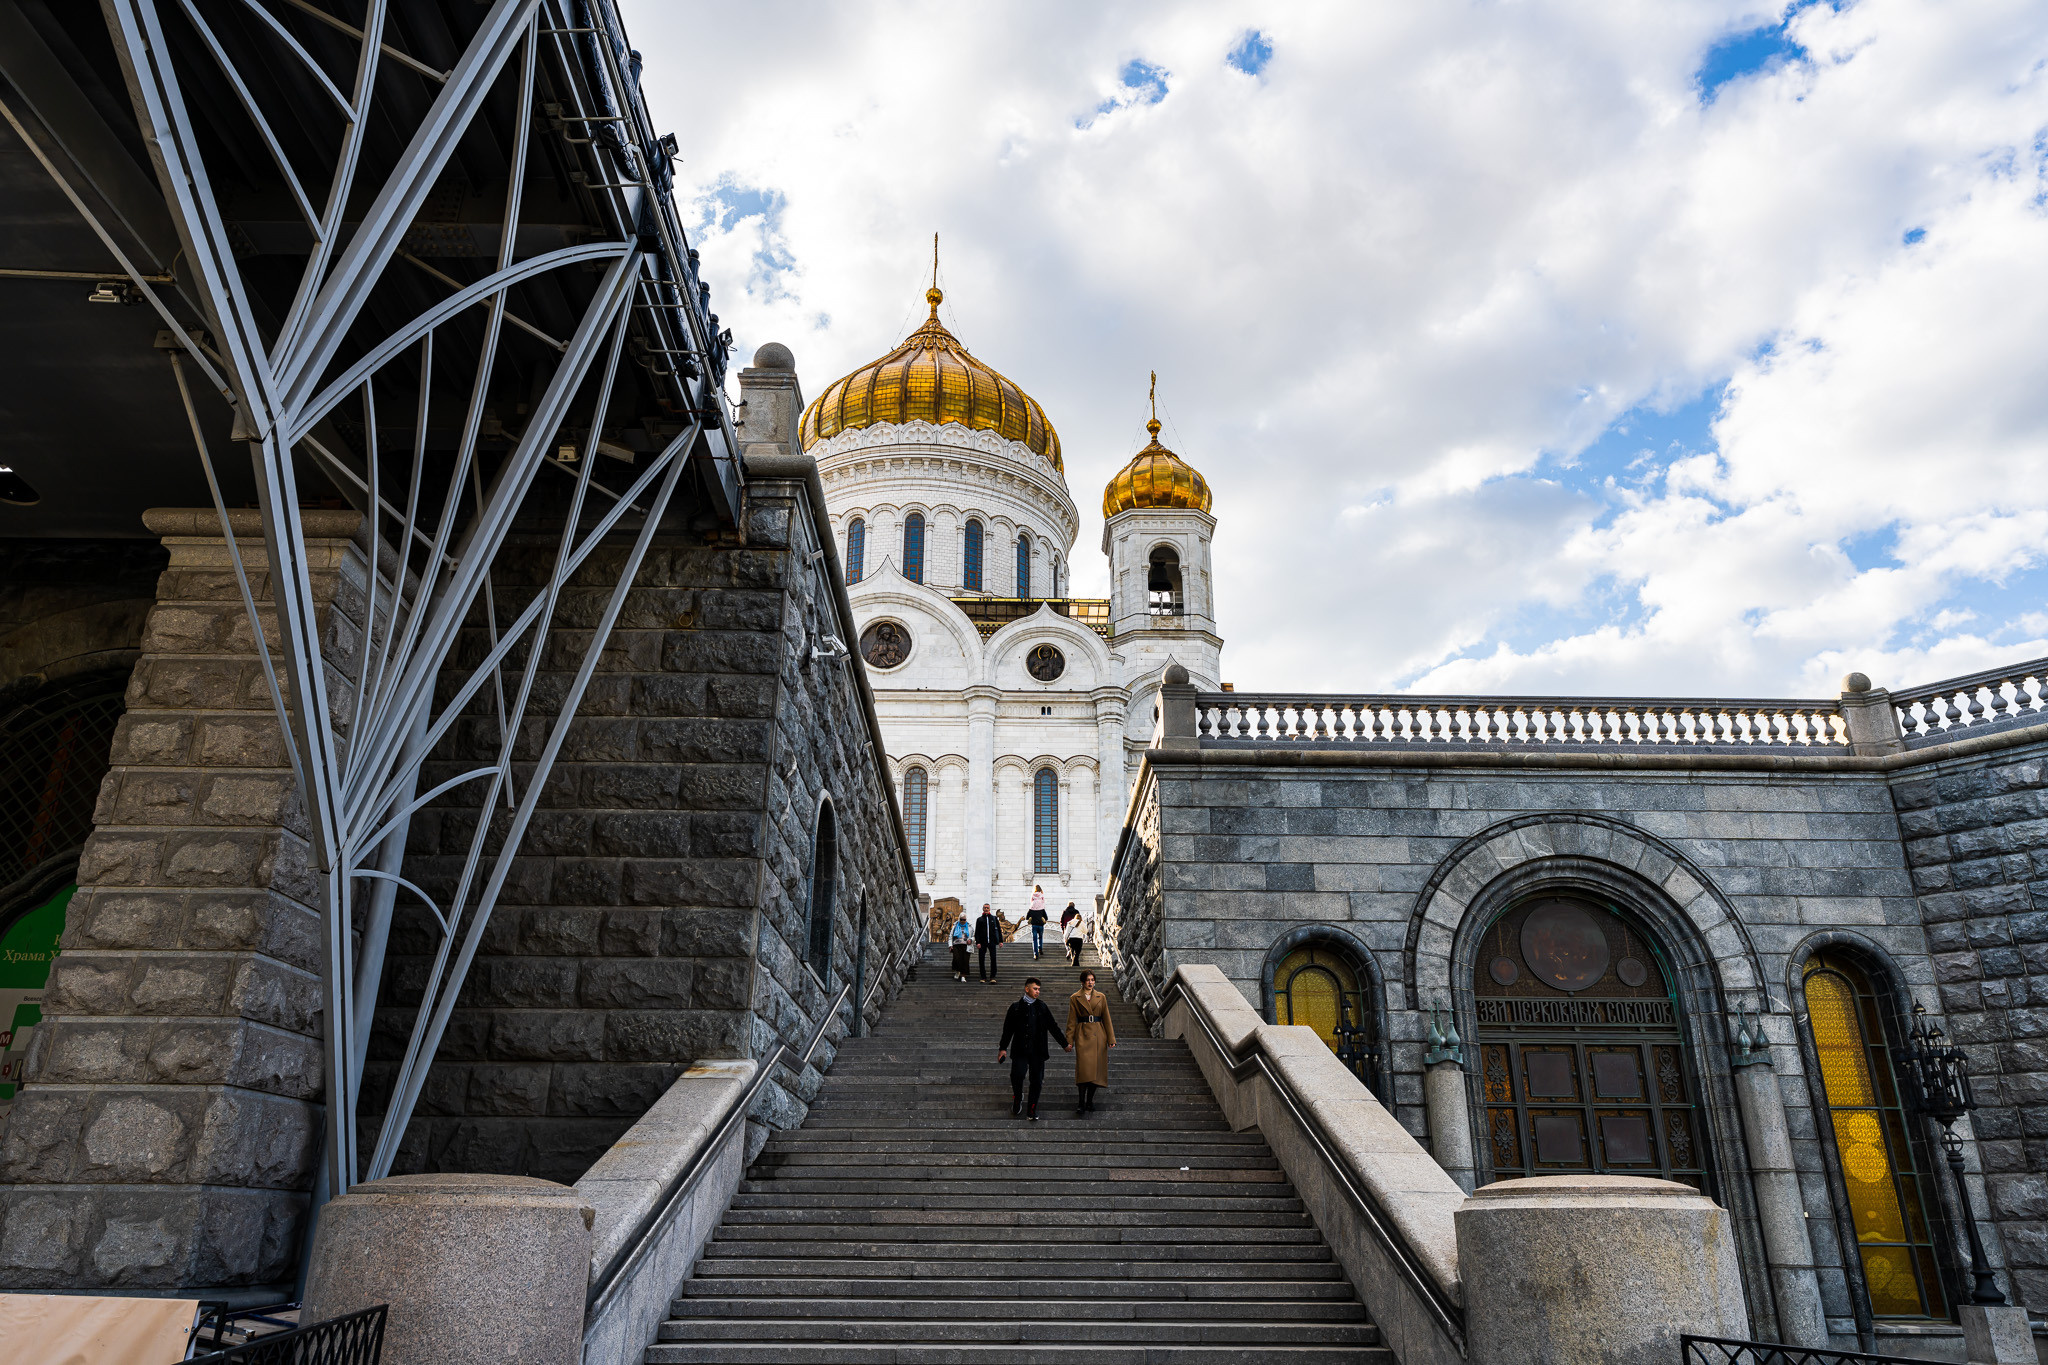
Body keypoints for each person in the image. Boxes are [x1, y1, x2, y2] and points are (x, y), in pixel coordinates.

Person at [997, 976, 1068, 1120]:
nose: (1037, 992)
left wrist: (1064, 1044)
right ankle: (1017, 1098)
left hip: (1038, 1051)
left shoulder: (1042, 1007)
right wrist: (1003, 1048)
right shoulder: (1015, 1007)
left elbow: (1053, 1027)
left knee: (1036, 1080)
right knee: (1017, 1075)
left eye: (1039, 989)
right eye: (1035, 989)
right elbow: (1008, 1029)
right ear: (1027, 988)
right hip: (1020, 1050)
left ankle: (1032, 1110)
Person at [1065, 969, 1117, 1116]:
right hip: (1082, 1034)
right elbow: (1071, 1021)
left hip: (1099, 1035)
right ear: (1082, 981)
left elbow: (1107, 1018)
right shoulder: (1075, 998)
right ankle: (1081, 1102)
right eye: (1088, 980)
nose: (1090, 982)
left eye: (1092, 980)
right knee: (1084, 1070)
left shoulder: (1101, 997)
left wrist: (1111, 1038)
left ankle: (1089, 1101)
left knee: (1096, 1071)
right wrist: (1069, 1041)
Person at [973, 903, 1002, 983]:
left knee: (993, 959)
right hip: (982, 943)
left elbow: (998, 930)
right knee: (981, 959)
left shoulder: (994, 918)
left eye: (987, 908)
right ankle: (983, 977)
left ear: (989, 909)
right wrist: (977, 942)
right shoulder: (979, 919)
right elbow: (977, 932)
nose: (986, 909)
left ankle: (992, 977)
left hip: (992, 942)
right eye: (985, 908)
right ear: (983, 909)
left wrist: (1000, 941)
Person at [948, 909, 972, 982]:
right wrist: (950, 945)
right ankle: (957, 971)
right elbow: (951, 936)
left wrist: (971, 940)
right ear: (959, 919)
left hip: (966, 945)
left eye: (964, 919)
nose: (963, 921)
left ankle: (963, 976)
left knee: (965, 960)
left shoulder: (969, 926)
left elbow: (973, 936)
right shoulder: (955, 926)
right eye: (961, 919)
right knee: (957, 959)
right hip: (956, 945)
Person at [1025, 891, 1049, 960]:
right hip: (1040, 925)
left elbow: (1027, 917)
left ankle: (1036, 954)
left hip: (1034, 925)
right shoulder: (1042, 907)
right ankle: (1040, 948)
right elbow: (1046, 918)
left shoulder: (1031, 907)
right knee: (1040, 937)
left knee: (1034, 940)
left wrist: (1033, 916)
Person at [1061, 903, 1084, 968]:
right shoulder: (1077, 913)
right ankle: (1074, 962)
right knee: (1077, 951)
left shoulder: (1065, 912)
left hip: (1069, 932)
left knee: (1071, 948)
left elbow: (1062, 921)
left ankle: (1069, 952)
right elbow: (1084, 929)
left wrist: (1063, 928)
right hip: (1078, 936)